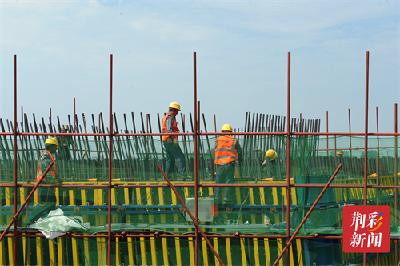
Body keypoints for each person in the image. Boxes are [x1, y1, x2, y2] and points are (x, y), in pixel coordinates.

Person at [214, 123, 242, 205]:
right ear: (230, 131)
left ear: (222, 131)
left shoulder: (218, 140)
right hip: (229, 164)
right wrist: (240, 161)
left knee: (218, 183)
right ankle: (226, 199)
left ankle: (217, 199)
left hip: (219, 165)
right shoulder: (233, 140)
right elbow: (240, 151)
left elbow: (214, 151)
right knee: (228, 182)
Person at [161, 101, 186, 178]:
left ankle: (167, 176)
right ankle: (182, 175)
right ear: (173, 110)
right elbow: (169, 130)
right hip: (170, 140)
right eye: (177, 111)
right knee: (180, 156)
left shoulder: (167, 117)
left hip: (166, 140)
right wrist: (174, 139)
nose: (177, 113)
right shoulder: (170, 118)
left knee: (170, 158)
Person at [36, 137, 60, 205]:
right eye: (55, 146)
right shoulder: (46, 159)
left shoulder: (47, 157)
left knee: (49, 206)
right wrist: (56, 181)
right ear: (51, 146)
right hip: (45, 187)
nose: (56, 148)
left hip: (47, 186)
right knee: (48, 206)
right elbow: (47, 174)